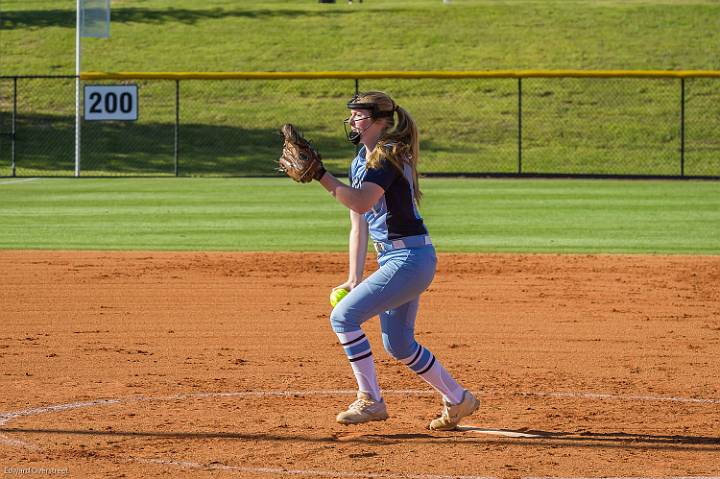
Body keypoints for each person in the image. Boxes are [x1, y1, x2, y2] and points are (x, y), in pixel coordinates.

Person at [313, 91, 480, 430]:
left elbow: (361, 201)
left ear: (379, 120)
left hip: (409, 258)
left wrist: (321, 176)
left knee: (343, 318)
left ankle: (371, 400)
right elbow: (358, 222)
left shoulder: (387, 153)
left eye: (358, 115)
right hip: (399, 259)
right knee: (399, 344)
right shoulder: (362, 159)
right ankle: (458, 398)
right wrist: (353, 277)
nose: (352, 120)